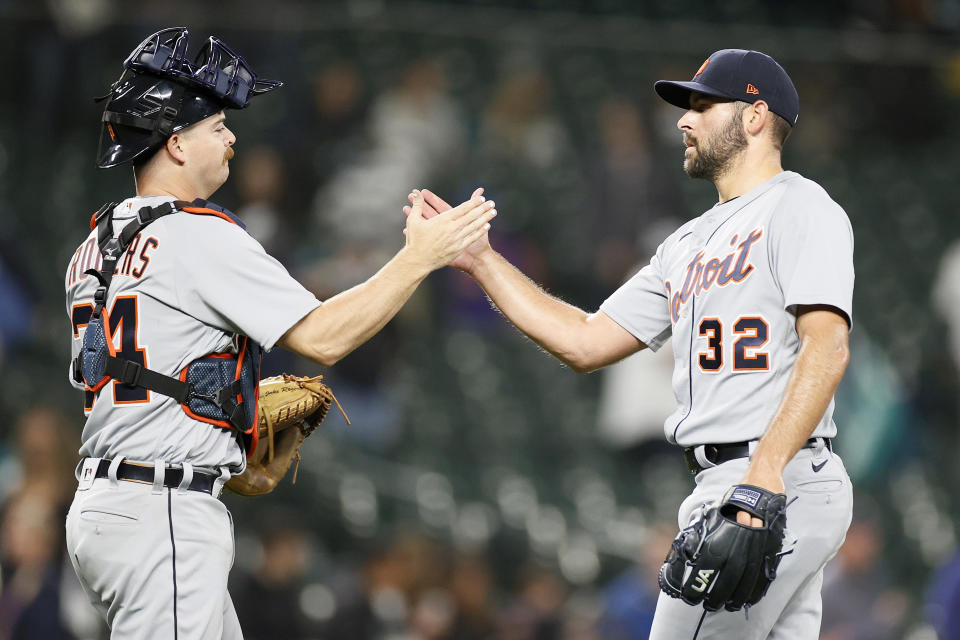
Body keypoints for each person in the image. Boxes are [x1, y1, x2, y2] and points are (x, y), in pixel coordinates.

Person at [64, 28, 495, 640]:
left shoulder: (91, 249)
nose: (232, 137)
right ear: (177, 144)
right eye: (217, 126)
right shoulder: (198, 234)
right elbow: (325, 336)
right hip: (161, 513)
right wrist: (419, 257)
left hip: (107, 508)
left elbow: (135, 385)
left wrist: (224, 450)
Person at [409, 49, 854, 639]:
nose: (683, 120)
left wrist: (762, 476)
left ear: (754, 116)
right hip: (747, 481)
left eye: (702, 104)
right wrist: (483, 263)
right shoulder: (684, 244)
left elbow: (827, 346)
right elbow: (585, 341)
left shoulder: (800, 206)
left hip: (769, 476)